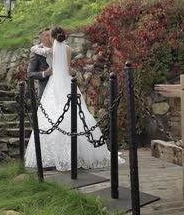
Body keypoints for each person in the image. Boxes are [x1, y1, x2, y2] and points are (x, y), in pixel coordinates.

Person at [25, 27, 119, 170]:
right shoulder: (67, 49)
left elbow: (37, 49)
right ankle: (79, 154)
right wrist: (47, 72)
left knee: (56, 116)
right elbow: (65, 67)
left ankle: (55, 156)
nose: (46, 38)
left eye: (48, 35)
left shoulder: (48, 51)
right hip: (66, 82)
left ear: (52, 37)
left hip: (55, 83)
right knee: (73, 114)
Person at [27, 28, 53, 99]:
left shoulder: (61, 49)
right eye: (47, 35)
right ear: (40, 38)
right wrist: (45, 73)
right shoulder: (36, 53)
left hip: (61, 89)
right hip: (45, 90)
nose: (50, 36)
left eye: (51, 34)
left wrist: (73, 72)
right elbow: (30, 74)